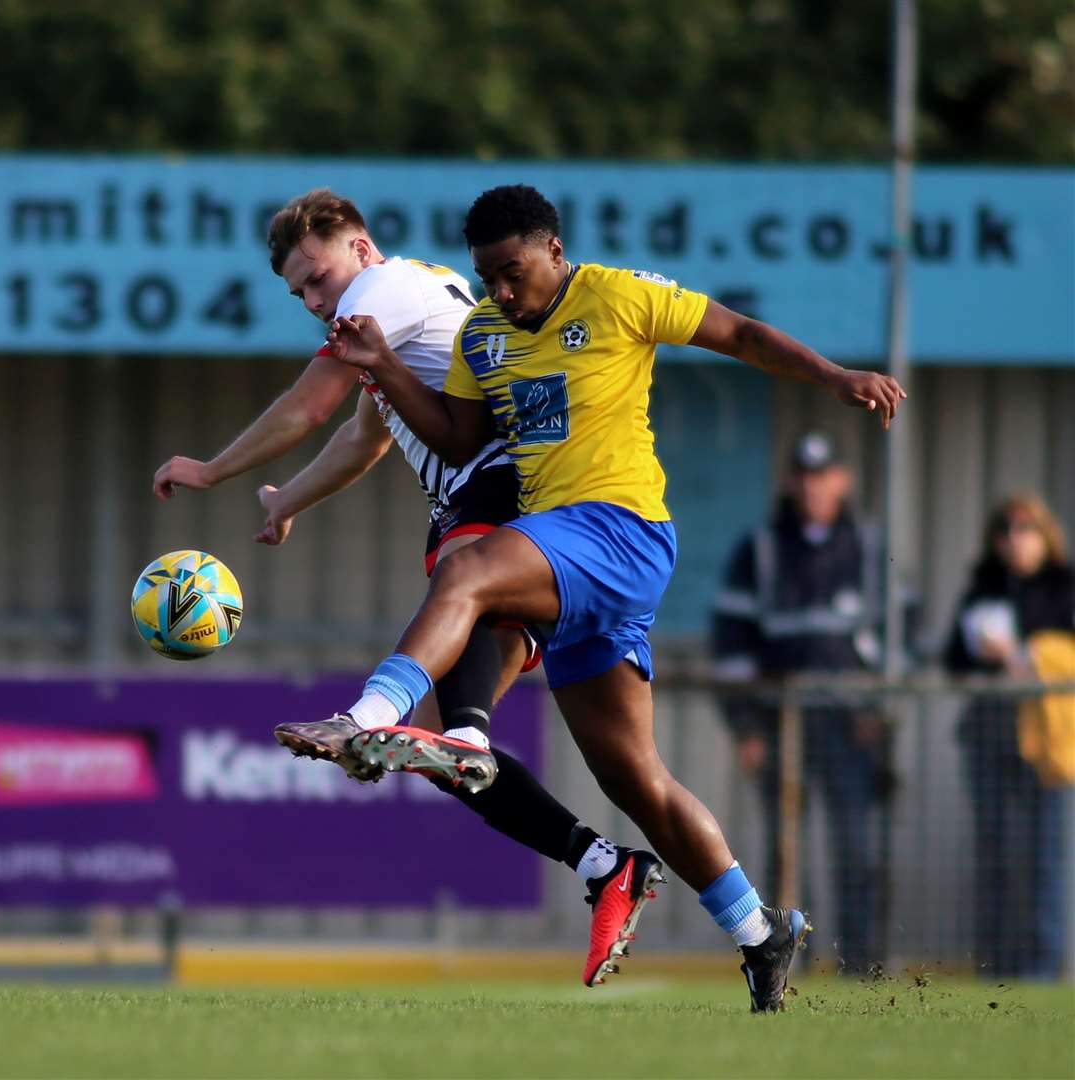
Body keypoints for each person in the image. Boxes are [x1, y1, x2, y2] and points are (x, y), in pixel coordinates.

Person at [296, 183, 905, 1011]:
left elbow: (742, 334)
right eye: (488, 277)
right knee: (636, 780)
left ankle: (369, 715)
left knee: (466, 574)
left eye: (513, 272)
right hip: (569, 559)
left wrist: (835, 377)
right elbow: (453, 437)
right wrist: (387, 368)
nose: (502, 291)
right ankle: (761, 932)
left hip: (621, 528)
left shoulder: (620, 295)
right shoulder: (485, 333)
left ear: (553, 248)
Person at [153, 188, 665, 989]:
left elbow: (310, 404)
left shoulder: (378, 291)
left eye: (316, 279)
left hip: (499, 495)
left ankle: (396, 721)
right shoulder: (397, 309)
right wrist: (288, 500)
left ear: (358, 250)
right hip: (513, 508)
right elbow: (366, 436)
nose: (315, 301)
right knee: (438, 749)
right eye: (300, 294)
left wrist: (212, 469)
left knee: (458, 618)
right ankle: (604, 866)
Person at [709, 431, 895, 974]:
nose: (814, 487)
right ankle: (794, 962)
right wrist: (746, 728)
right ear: (792, 483)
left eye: (824, 476)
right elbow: (732, 645)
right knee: (787, 853)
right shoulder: (761, 549)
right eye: (805, 477)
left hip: (850, 725)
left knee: (858, 848)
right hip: (779, 723)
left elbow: (897, 638)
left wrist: (878, 710)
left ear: (843, 480)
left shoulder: (868, 547)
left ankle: (861, 965)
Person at [946, 493, 1074, 979]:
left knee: (1045, 858)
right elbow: (954, 659)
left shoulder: (1063, 589)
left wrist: (1025, 656)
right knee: (996, 855)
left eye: (1026, 529)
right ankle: (995, 966)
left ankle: (1043, 968)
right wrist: (989, 654)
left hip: (1048, 743)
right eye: (1007, 530)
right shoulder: (983, 589)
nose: (1015, 540)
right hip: (991, 735)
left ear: (1044, 534)